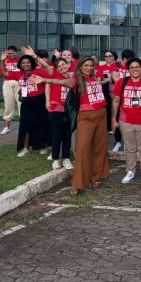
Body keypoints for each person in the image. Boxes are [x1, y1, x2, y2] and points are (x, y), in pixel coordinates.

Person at [32, 57, 109, 196]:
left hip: (102, 114)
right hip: (87, 117)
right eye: (86, 65)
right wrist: (45, 80)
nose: (89, 68)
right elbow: (62, 82)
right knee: (83, 149)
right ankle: (78, 184)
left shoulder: (94, 78)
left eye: (91, 65)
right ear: (80, 67)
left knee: (99, 147)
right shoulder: (76, 80)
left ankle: (95, 177)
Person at [113, 57, 141, 186]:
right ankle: (130, 172)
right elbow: (116, 102)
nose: (135, 70)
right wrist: (113, 118)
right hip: (126, 120)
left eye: (137, 67)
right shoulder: (122, 82)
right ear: (128, 70)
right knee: (130, 148)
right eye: (132, 68)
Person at [1, 47, 53, 157]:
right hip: (26, 102)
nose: (26, 64)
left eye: (28, 62)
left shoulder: (38, 71)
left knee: (41, 124)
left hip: (40, 100)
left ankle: (42, 146)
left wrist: (34, 55)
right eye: (23, 63)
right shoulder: (18, 74)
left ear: (32, 63)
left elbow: (49, 70)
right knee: (25, 125)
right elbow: (3, 73)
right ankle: (25, 148)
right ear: (20, 64)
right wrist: (2, 60)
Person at [45, 57, 73, 170]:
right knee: (56, 134)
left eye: (63, 64)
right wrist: (47, 101)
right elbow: (47, 84)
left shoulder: (72, 78)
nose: (62, 67)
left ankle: (66, 158)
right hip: (56, 109)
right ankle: (55, 159)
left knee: (67, 135)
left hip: (69, 111)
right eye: (59, 66)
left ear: (68, 64)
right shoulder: (55, 75)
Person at [97, 50, 119, 144]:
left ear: (113, 57)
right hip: (106, 92)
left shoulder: (118, 66)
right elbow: (98, 83)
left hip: (118, 92)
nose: (108, 58)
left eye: (110, 56)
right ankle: (109, 128)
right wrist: (108, 79)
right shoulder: (101, 68)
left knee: (117, 111)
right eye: (106, 56)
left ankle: (118, 129)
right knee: (108, 110)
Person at [0, 45, 20, 135]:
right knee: (8, 105)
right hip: (7, 83)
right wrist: (2, 61)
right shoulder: (5, 61)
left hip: (19, 83)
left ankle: (23, 126)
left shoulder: (21, 61)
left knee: (21, 104)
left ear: (16, 52)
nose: (11, 54)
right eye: (9, 53)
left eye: (12, 53)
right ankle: (6, 127)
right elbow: (0, 74)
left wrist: (8, 73)